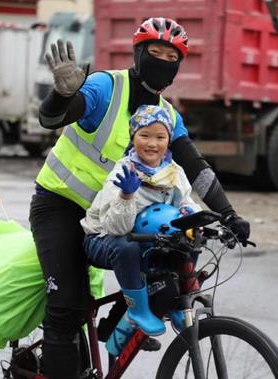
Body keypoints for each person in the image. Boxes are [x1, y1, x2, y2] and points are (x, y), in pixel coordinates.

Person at [29, 17, 250, 379]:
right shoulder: (105, 87)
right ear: (137, 53)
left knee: (169, 272)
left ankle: (117, 331)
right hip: (61, 207)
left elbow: (196, 168)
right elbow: (52, 118)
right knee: (67, 305)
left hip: (117, 214)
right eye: (154, 52)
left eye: (171, 56)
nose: (162, 60)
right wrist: (63, 94)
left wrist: (228, 214)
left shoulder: (166, 116)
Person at [81, 104, 200, 355]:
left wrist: (192, 216)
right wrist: (126, 195)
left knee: (191, 236)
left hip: (150, 236)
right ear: (133, 136)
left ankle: (178, 301)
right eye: (144, 135)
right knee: (127, 246)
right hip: (104, 238)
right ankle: (137, 309)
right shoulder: (124, 170)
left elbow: (187, 201)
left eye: (160, 137)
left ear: (168, 140)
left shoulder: (174, 172)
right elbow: (116, 228)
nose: (152, 144)